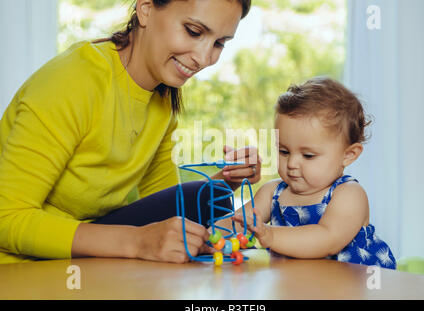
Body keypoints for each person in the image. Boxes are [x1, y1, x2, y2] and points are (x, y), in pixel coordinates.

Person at [0, 0, 261, 264]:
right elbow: (5, 217)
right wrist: (137, 242)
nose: (205, 59)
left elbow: (168, 208)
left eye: (219, 43)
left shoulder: (162, 98)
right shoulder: (73, 82)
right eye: (193, 31)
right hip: (23, 265)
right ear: (146, 8)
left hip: (92, 257)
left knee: (207, 198)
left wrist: (229, 179)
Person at [231, 77, 396, 269]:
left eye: (308, 155)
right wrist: (209, 236)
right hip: (302, 284)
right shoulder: (272, 192)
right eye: (284, 151)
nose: (292, 163)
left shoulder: (348, 194)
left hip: (357, 287)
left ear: (348, 155)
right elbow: (238, 222)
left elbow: (328, 238)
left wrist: (270, 235)